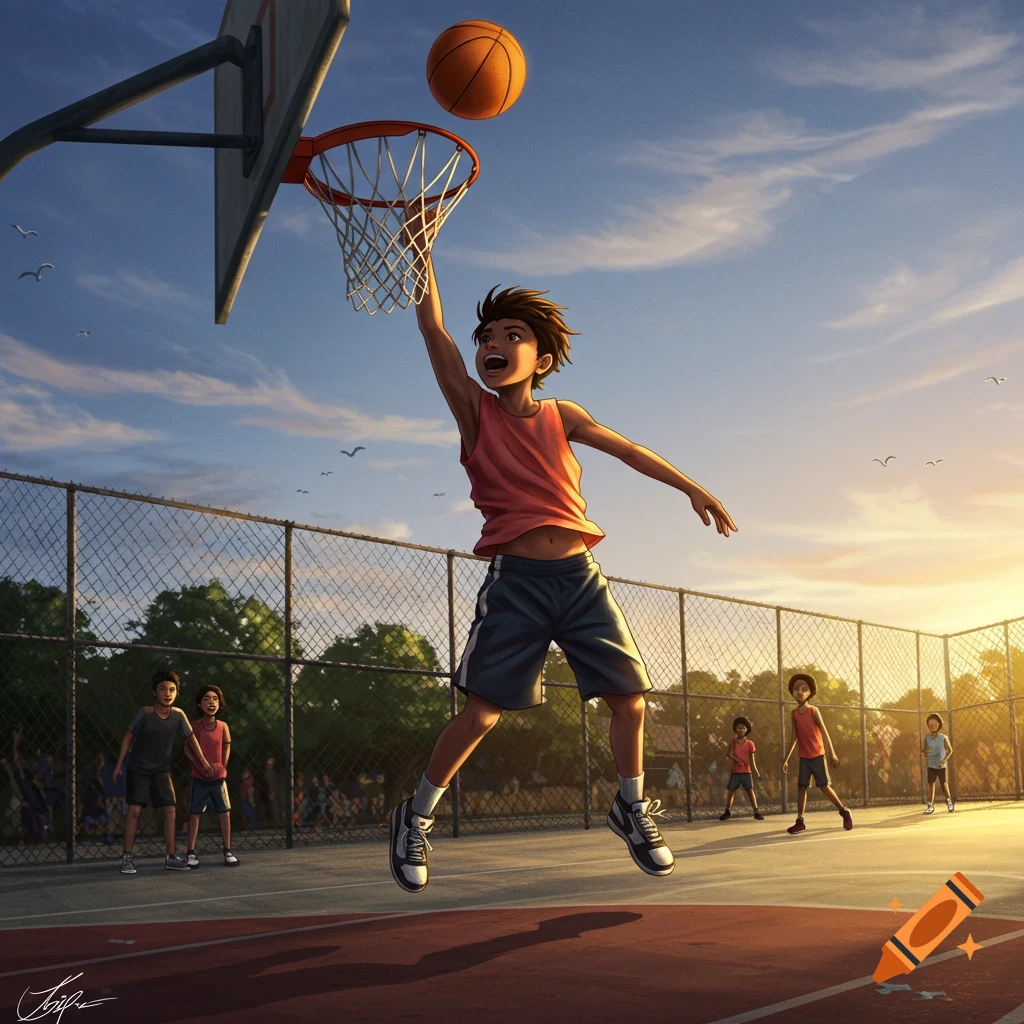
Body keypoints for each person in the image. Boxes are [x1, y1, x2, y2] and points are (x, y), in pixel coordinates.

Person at [386, 220, 738, 893]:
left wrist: (691, 486)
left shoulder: (561, 415)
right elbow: (434, 331)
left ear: (542, 360)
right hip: (517, 581)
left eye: (512, 336)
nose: (494, 344)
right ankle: (417, 817)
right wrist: (423, 255)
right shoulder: (472, 412)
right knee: (483, 712)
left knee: (631, 700)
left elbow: (629, 450)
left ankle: (630, 807)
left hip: (578, 577)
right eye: (487, 337)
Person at [112, 669, 213, 874]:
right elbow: (128, 738)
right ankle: (127, 857)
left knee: (170, 810)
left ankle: (171, 856)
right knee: (134, 811)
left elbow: (191, 738)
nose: (168, 693)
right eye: (163, 689)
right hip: (138, 768)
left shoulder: (178, 715)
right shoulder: (145, 713)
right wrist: (118, 765)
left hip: (161, 770)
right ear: (154, 692)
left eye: (172, 689)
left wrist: (203, 761)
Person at [782, 673, 853, 834]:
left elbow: (824, 731)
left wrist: (832, 753)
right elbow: (794, 737)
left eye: (804, 689)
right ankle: (800, 820)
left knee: (824, 786)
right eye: (796, 689)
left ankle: (844, 811)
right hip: (804, 757)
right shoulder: (794, 713)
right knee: (801, 787)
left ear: (810, 692)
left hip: (818, 755)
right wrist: (786, 759)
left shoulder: (813, 710)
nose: (799, 692)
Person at [184, 685, 238, 867]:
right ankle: (190, 851)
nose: (211, 702)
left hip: (218, 778)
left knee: (225, 813)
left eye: (215, 699)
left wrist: (223, 765)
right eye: (206, 699)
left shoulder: (223, 726)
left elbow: (226, 745)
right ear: (199, 704)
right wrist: (198, 765)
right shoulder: (195, 727)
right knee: (195, 814)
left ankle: (227, 850)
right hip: (199, 777)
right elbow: (187, 748)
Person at [719, 717, 764, 821]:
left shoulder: (750, 744)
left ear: (747, 729)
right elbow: (729, 754)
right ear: (735, 729)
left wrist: (756, 771)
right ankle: (727, 811)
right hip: (735, 772)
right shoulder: (733, 742)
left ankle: (756, 811)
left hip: (746, 772)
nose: (741, 730)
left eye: (743, 728)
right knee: (731, 791)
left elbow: (752, 760)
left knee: (750, 791)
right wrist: (736, 759)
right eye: (739, 728)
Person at [921, 713, 954, 814]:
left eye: (935, 724)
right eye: (930, 724)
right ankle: (930, 805)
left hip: (941, 766)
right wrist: (926, 755)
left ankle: (949, 802)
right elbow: (924, 750)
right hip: (931, 765)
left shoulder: (943, 738)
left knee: (944, 784)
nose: (933, 726)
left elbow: (950, 750)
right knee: (931, 784)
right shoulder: (926, 738)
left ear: (939, 724)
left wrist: (944, 760)